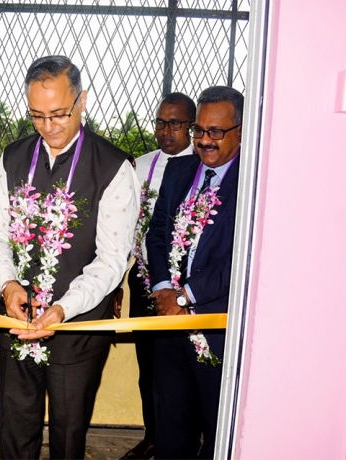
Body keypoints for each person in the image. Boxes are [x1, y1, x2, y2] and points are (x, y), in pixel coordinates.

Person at [0, 55, 139, 459]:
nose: (48, 127)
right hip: (17, 319)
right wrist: (8, 283)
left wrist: (64, 309)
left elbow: (112, 259)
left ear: (82, 101)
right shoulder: (13, 157)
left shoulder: (113, 166)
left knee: (69, 435)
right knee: (14, 427)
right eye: (36, 116)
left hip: (77, 328)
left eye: (59, 114)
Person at [145, 86, 244, 459]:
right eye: (199, 130)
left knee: (218, 432)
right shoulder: (179, 170)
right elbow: (156, 233)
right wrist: (164, 288)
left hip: (215, 325)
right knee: (171, 424)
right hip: (168, 323)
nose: (203, 140)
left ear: (240, 130)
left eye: (215, 132)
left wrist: (187, 296)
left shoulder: (252, 182)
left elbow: (242, 258)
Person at [121, 92, 196, 460]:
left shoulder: (201, 165)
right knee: (148, 365)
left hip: (187, 288)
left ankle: (185, 440)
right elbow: (127, 226)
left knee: (185, 366)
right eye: (161, 123)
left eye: (176, 123)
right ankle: (153, 436)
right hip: (144, 280)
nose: (166, 131)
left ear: (192, 127)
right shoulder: (141, 166)